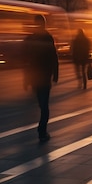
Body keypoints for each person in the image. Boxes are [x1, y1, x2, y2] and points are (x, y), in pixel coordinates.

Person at [23, 14, 59, 142]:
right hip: (44, 75)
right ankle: (42, 131)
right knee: (44, 106)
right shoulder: (48, 37)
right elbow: (53, 57)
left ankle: (42, 130)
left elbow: (25, 60)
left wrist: (26, 79)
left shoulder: (30, 38)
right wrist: (55, 73)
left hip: (35, 76)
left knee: (41, 103)